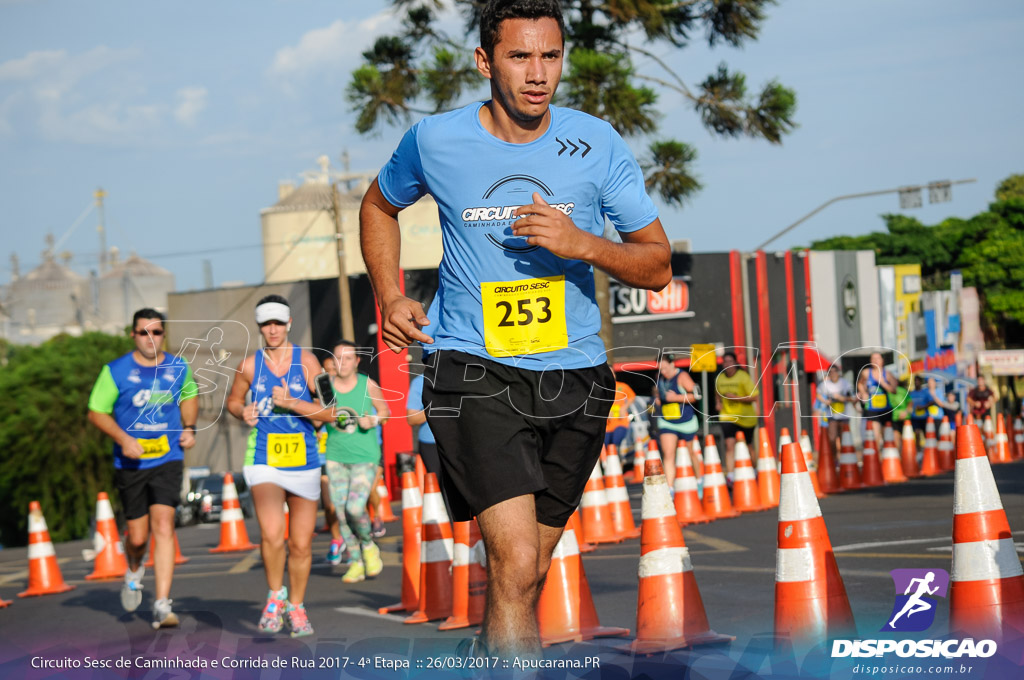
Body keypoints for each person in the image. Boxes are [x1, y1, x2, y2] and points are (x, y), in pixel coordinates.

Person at [359, 0, 672, 658]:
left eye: (550, 56)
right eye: (520, 56)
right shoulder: (435, 140)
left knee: (528, 572)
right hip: (475, 369)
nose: (538, 73)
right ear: (484, 61)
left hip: (576, 374)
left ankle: (488, 659)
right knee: (514, 559)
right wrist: (389, 295)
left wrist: (583, 243)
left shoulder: (596, 142)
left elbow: (656, 265)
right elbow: (379, 205)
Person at [87, 308, 198, 629]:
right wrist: (123, 439)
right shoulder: (116, 371)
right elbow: (96, 412)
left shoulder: (178, 367)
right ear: (133, 335)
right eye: (143, 332)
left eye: (157, 332)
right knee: (138, 536)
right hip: (131, 461)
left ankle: (162, 604)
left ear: (165, 334)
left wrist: (188, 427)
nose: (151, 339)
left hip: (168, 457)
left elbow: (189, 396)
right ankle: (134, 567)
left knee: (164, 524)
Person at [226, 295, 328, 637]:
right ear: (259, 327)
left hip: (304, 460)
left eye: (278, 323)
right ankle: (275, 596)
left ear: (289, 324)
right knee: (272, 535)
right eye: (266, 324)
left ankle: (296, 606)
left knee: (300, 543)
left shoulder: (310, 362)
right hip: (264, 459)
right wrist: (242, 412)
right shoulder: (249, 366)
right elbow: (233, 400)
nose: (273, 330)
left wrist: (293, 403)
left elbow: (329, 410)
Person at [323, 340, 390, 583]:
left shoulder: (367, 384)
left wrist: (372, 420)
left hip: (364, 456)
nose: (343, 363)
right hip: (335, 456)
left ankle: (368, 546)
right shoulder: (326, 386)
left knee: (354, 507)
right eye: (338, 358)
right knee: (340, 513)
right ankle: (356, 560)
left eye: (348, 358)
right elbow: (319, 416)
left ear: (357, 361)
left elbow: (385, 412)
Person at [317, 355, 348, 566]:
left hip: (346, 454)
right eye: (326, 370)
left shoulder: (349, 391)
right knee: (329, 506)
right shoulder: (317, 393)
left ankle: (355, 541)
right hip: (323, 456)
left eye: (333, 370)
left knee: (349, 505)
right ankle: (337, 538)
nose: (330, 374)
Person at [655, 353, 702, 483]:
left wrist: (676, 398)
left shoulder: (682, 377)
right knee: (668, 454)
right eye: (660, 369)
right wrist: (658, 400)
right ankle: (670, 487)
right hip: (667, 421)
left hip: (686, 422)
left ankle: (699, 481)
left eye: (665, 368)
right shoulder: (660, 378)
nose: (663, 372)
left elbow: (697, 396)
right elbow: (660, 393)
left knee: (691, 452)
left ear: (672, 364)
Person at [714, 351, 759, 477]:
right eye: (725, 362)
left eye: (730, 361)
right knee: (729, 444)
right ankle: (731, 475)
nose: (727, 364)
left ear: (735, 363)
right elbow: (717, 393)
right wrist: (718, 403)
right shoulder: (720, 378)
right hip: (727, 416)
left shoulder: (743, 377)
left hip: (745, 417)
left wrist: (736, 398)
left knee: (748, 445)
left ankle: (755, 471)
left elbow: (754, 397)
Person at [857, 352, 898, 450]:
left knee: (886, 435)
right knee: (875, 435)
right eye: (873, 359)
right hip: (872, 409)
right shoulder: (866, 372)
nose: (875, 361)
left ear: (882, 361)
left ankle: (886, 458)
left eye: (877, 358)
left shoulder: (887, 374)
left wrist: (883, 383)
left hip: (885, 409)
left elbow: (894, 390)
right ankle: (878, 459)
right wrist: (863, 392)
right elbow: (860, 384)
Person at [817, 365, 856, 459]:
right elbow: (818, 394)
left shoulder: (845, 383)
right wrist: (825, 401)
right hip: (832, 416)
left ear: (838, 372)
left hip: (844, 416)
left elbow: (853, 398)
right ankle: (834, 459)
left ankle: (846, 459)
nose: (833, 374)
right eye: (831, 372)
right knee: (832, 439)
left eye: (835, 371)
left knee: (845, 439)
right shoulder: (825, 384)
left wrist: (842, 398)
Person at [605, 378, 636, 450]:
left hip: (620, 422)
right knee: (604, 447)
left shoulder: (622, 386)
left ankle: (617, 458)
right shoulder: (601, 388)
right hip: (607, 425)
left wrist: (624, 407)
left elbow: (632, 396)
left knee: (614, 444)